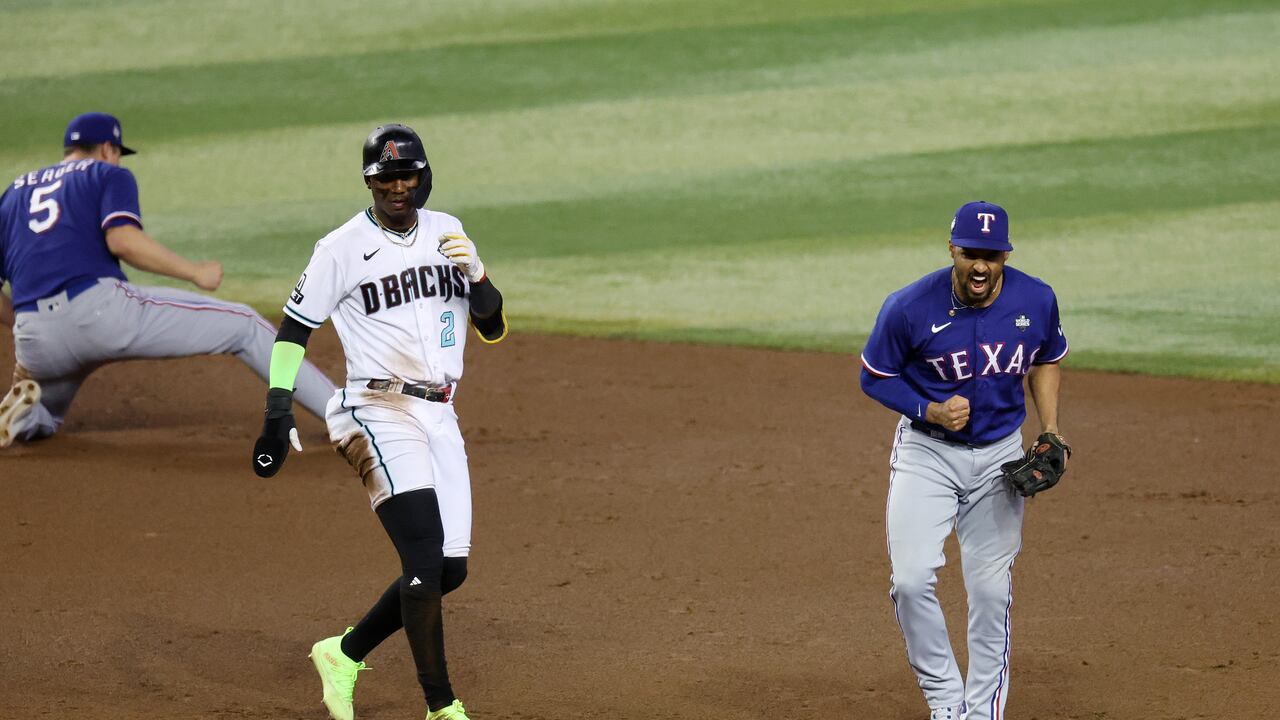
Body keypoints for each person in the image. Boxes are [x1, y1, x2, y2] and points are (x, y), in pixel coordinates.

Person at [250, 123, 506, 720]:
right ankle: (441, 706)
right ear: (369, 182)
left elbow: (492, 327)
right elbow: (293, 329)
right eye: (384, 178)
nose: (396, 187)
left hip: (441, 411)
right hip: (377, 410)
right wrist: (277, 407)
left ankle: (342, 653)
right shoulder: (339, 248)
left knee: (450, 570)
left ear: (423, 176)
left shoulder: (448, 231)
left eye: (406, 175)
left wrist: (480, 276)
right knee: (422, 557)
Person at [0, 112, 335, 447]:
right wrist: (194, 272)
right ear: (106, 148)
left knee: (46, 415)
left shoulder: (13, 194)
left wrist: (27, 325)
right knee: (244, 324)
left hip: (35, 338)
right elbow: (122, 241)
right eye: (116, 152)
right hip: (100, 316)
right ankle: (348, 419)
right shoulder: (106, 174)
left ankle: (26, 418)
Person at [858, 201, 1070, 720]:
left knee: (991, 593)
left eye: (991, 255)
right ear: (952, 249)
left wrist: (1049, 430)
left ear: (1004, 255)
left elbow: (1046, 359)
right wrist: (926, 407)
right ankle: (946, 704)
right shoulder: (908, 306)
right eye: (970, 253)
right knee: (910, 581)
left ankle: (980, 714)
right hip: (927, 453)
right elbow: (873, 374)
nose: (980, 265)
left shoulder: (1036, 298)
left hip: (999, 456)